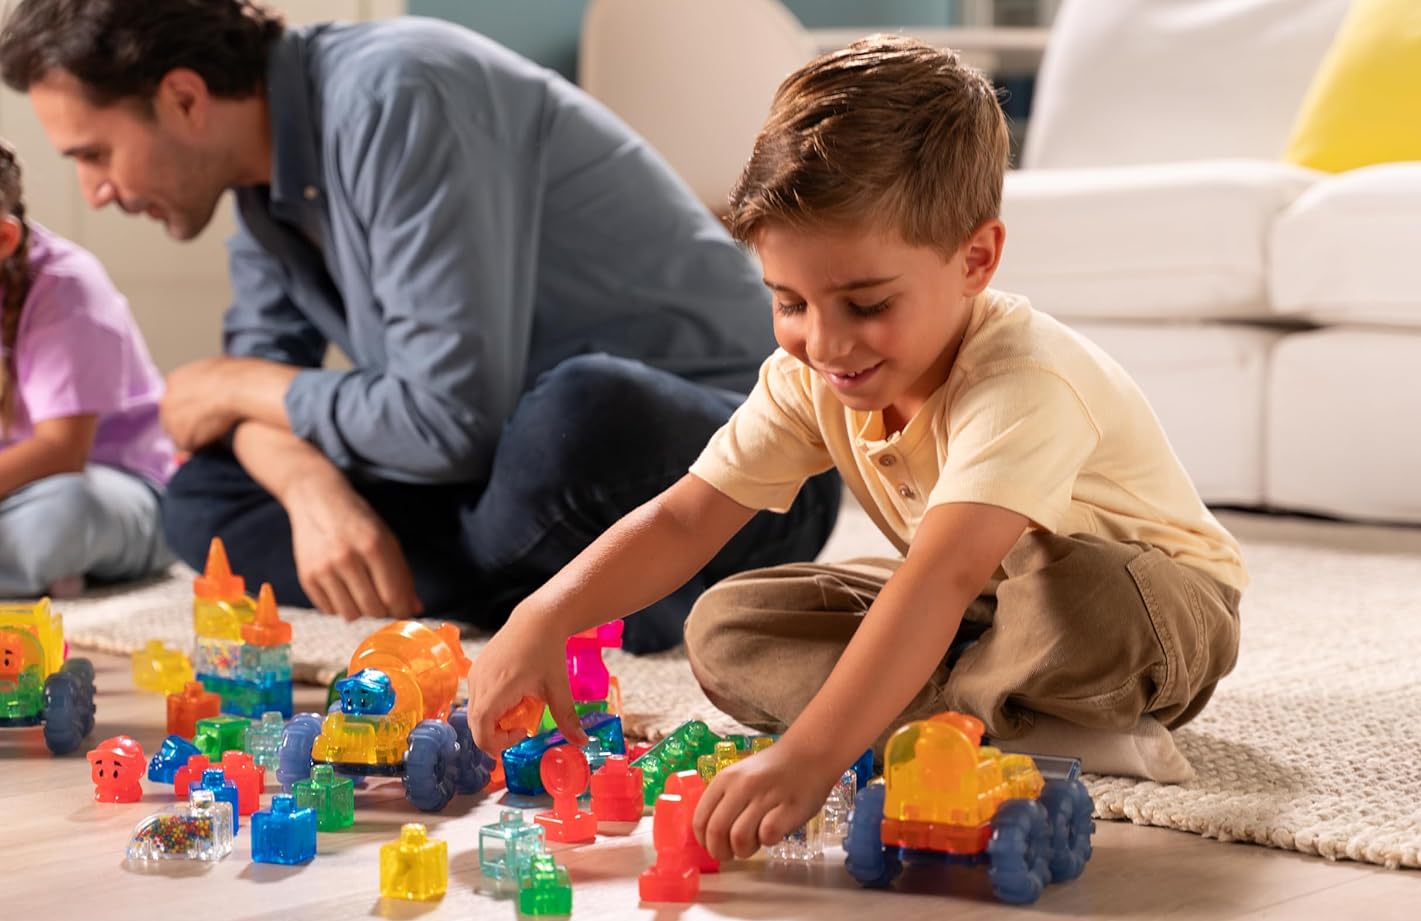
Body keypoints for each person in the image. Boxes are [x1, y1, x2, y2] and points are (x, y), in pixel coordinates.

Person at [464, 36, 1247, 859]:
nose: (825, 342)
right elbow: (686, 520)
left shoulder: (1024, 379)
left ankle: (985, 718)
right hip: (977, 606)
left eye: (865, 304)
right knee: (728, 623)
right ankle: (1006, 724)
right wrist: (542, 613)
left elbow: (942, 573)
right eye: (790, 301)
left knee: (1070, 595)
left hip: (1145, 608)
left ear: (975, 259)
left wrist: (809, 757)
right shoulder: (809, 375)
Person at [0, 0, 840, 651]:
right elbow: (226, 413)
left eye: (93, 154)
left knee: (579, 410)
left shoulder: (398, 93)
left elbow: (443, 426)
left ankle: (583, 593)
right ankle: (600, 598)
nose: (97, 190)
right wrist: (310, 487)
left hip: (734, 471)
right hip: (505, 469)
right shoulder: (258, 189)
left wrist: (241, 384)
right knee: (201, 499)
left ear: (183, 98)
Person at [0, 140, 174, 596]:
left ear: (4, 238)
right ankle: (39, 572)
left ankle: (45, 562)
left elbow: (61, 451)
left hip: (109, 485)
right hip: (10, 492)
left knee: (62, 514)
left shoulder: (66, 286)